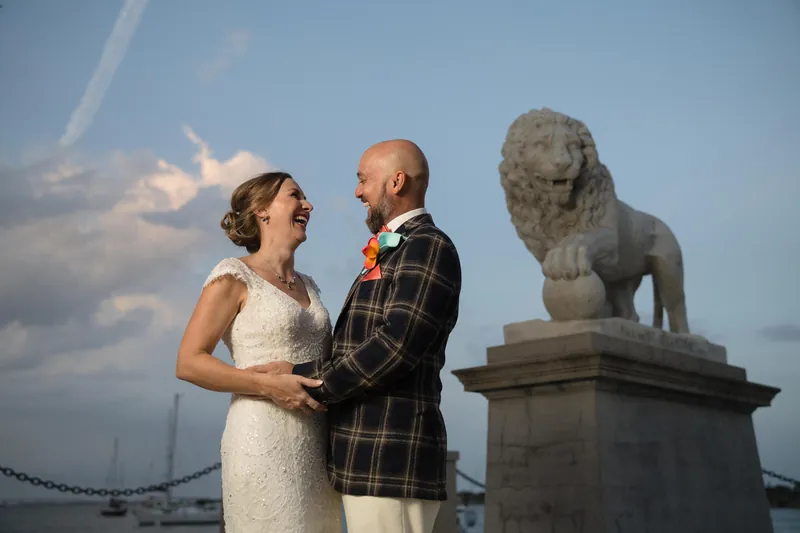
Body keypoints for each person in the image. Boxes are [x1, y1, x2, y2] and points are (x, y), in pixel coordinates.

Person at [258, 140, 462, 533]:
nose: (357, 191)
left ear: (396, 182)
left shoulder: (427, 245)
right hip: (366, 458)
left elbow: (395, 347)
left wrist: (308, 380)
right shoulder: (398, 248)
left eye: (363, 179)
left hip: (391, 458)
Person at [175, 171, 342, 533]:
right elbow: (189, 362)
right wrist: (268, 385)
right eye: (295, 195)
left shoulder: (310, 284)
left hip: (318, 448)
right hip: (261, 439)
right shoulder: (233, 275)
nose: (308, 205)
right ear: (263, 211)